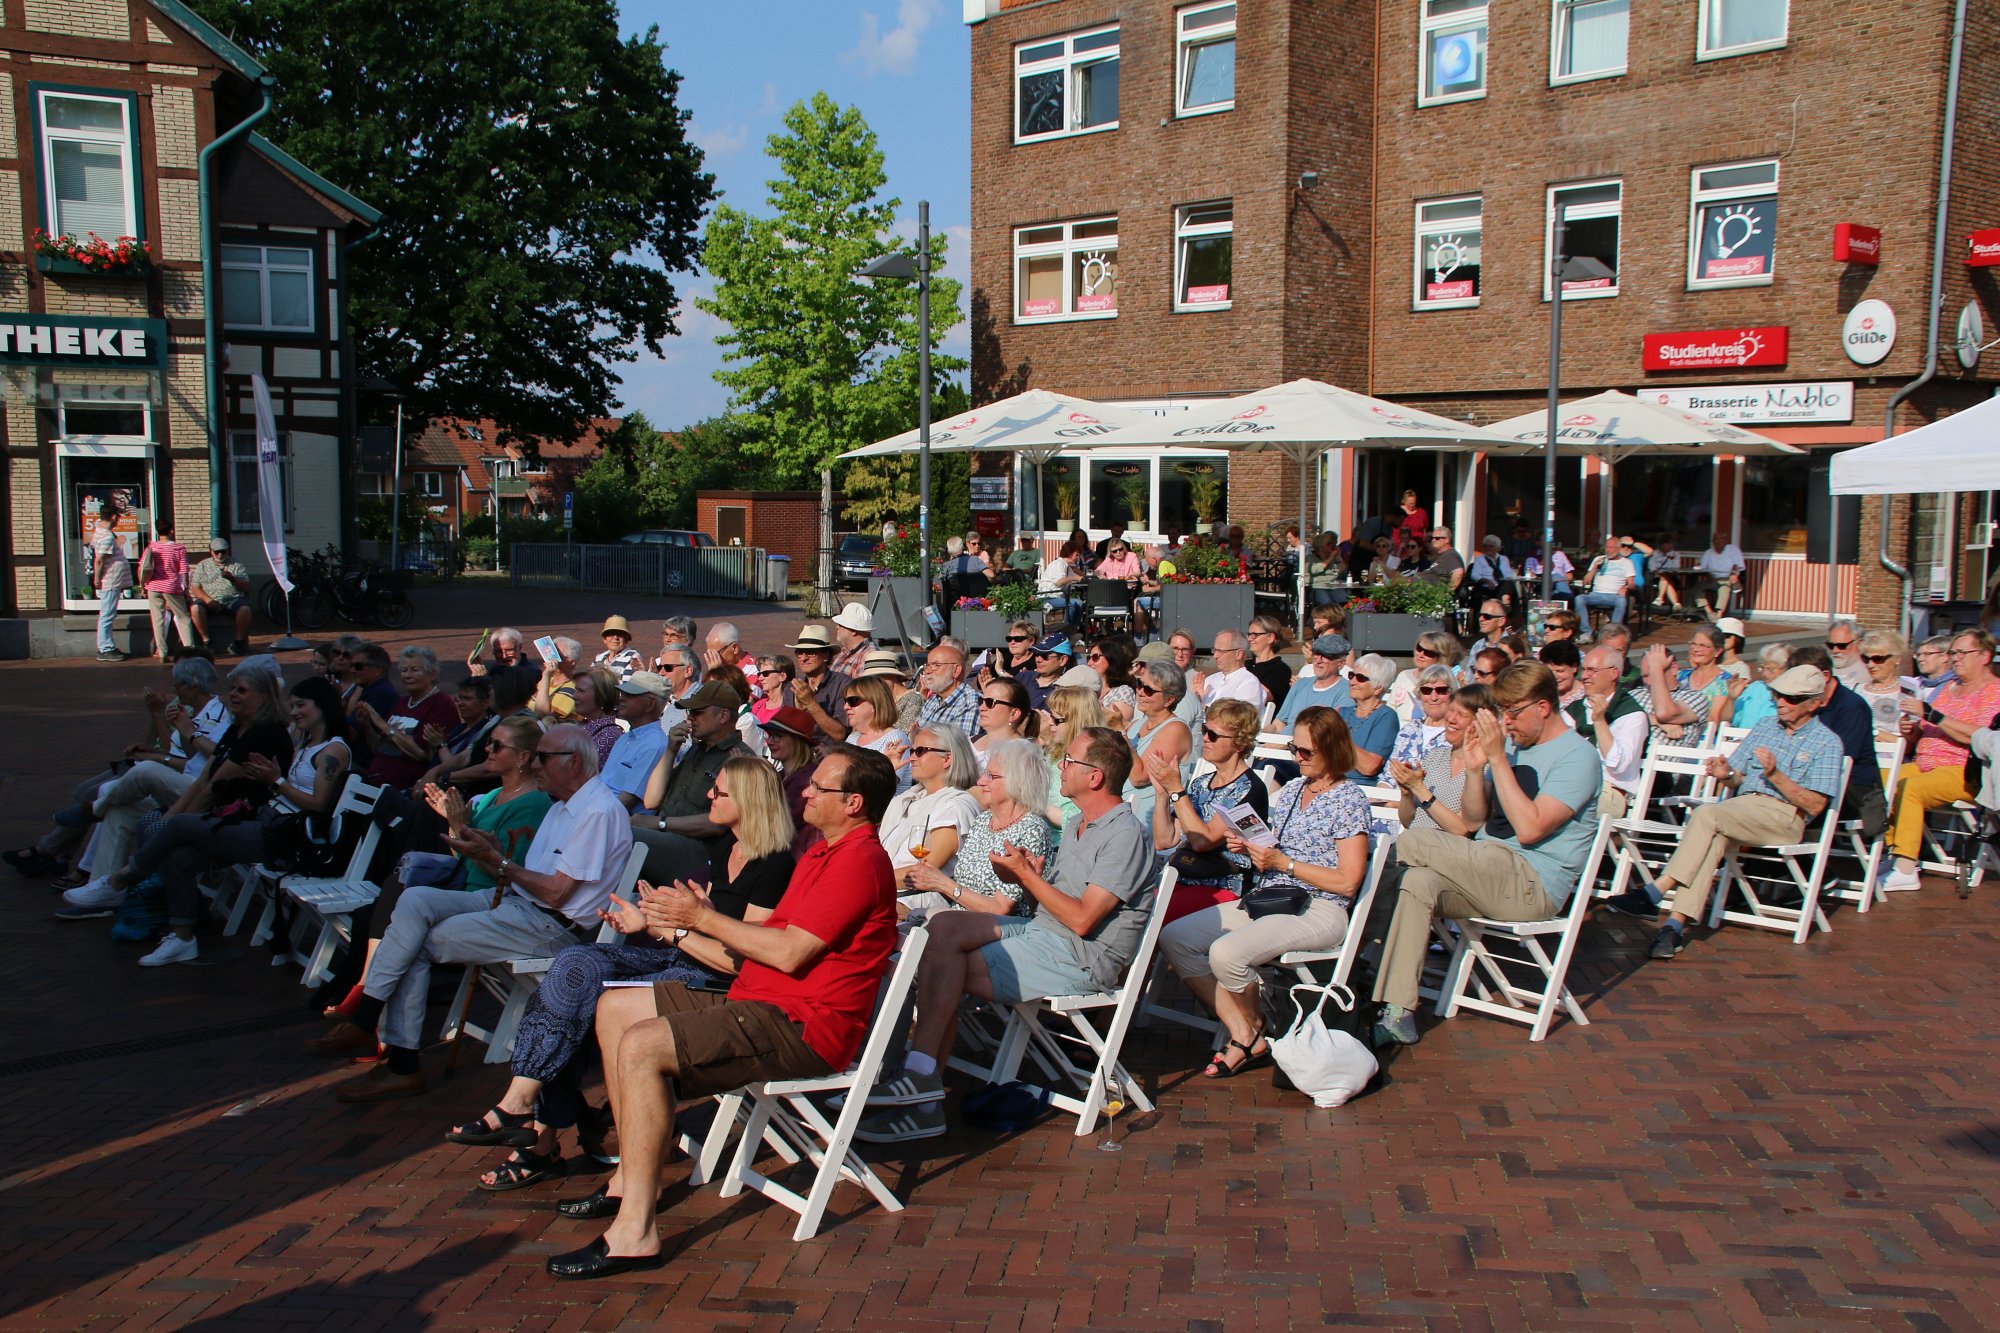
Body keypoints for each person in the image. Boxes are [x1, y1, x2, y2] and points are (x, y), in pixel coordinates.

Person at [548, 747, 897, 1279]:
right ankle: (629, 1181)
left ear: (853, 803)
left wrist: (698, 922)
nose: (803, 791)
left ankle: (635, 1231)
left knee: (642, 1045)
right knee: (615, 1006)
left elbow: (788, 953)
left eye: (818, 788)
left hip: (801, 1026)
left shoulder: (858, 860)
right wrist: (686, 922)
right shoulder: (821, 854)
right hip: (760, 1001)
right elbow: (763, 946)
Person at [449, 755, 794, 1192]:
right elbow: (705, 921)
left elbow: (743, 958)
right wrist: (652, 918)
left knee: (587, 1005)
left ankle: (540, 1140)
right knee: (575, 964)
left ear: (749, 800)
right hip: (684, 959)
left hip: (717, 982)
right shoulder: (726, 848)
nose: (709, 795)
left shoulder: (775, 866)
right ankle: (521, 1101)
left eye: (720, 792)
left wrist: (669, 929)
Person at [859, 727, 1155, 1144]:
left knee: (937, 963)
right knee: (941, 928)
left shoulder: (1123, 834)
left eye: (1069, 761)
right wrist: (1031, 874)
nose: (1059, 767)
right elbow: (1056, 901)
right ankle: (918, 1079)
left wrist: (1024, 879)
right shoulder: (1077, 824)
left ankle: (919, 1089)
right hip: (1043, 933)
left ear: (1094, 777)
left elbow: (1085, 921)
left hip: (1081, 956)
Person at [312, 725, 634, 1102]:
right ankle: (369, 1019)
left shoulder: (597, 811)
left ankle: (398, 1059)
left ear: (574, 762)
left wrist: (498, 862)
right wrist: (496, 852)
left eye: (543, 757)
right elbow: (530, 875)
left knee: (416, 940)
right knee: (414, 900)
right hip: (518, 904)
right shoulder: (563, 804)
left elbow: (558, 892)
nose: (537, 765)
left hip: (549, 924)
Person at [1372, 662, 1603, 1046]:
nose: (1507, 724)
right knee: (1415, 882)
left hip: (1533, 882)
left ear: (1543, 707)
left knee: (1409, 843)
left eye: (1513, 713)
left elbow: (1530, 830)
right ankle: (1397, 1011)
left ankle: (1344, 939)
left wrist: (1497, 759)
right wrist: (1477, 771)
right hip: (1487, 866)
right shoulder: (1511, 746)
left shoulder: (1577, 756)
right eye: (1504, 713)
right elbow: (1474, 821)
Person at [1161, 705, 1370, 1077]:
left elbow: (1348, 881)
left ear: (1333, 750)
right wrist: (1251, 848)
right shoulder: (1292, 790)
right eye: (1295, 749)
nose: (1298, 758)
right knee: (1176, 937)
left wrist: (1282, 864)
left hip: (1320, 907)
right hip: (1270, 897)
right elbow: (1274, 851)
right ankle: (1247, 1031)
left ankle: (1252, 1029)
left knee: (1226, 953)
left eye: (1307, 752)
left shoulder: (1348, 799)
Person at [318, 715, 557, 1016]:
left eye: (497, 745)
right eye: (488, 743)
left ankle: (369, 1006)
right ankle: (367, 1005)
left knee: (398, 917)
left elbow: (505, 875)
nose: (488, 750)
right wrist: (455, 826)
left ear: (523, 756)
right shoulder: (494, 795)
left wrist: (458, 827)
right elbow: (464, 856)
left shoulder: (533, 806)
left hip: (488, 899)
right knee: (374, 911)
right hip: (461, 886)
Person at [1602, 665, 1844, 959]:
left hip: (1784, 815)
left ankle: (1655, 891)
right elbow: (1737, 775)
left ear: (1814, 703)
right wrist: (1724, 772)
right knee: (1712, 835)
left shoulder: (1827, 742)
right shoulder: (1767, 726)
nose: (1781, 701)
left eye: (1791, 698)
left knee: (1707, 816)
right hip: (1740, 809)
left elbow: (1816, 805)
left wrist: (1776, 775)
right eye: (1778, 694)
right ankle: (1672, 930)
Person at [74, 665, 297, 964]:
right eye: (232, 688)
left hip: (263, 827)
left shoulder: (265, 734)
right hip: (228, 820)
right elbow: (207, 775)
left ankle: (118, 882)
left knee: (173, 827)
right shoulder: (239, 727)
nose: (232, 694)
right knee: (177, 856)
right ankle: (183, 938)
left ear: (263, 696)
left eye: (241, 689)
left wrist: (177, 822)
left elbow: (214, 786)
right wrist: (172, 818)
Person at [1881, 628, 2000, 891]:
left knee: (1911, 789)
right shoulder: (1948, 688)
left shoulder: (1993, 691)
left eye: (1962, 652)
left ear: (1984, 655)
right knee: (1882, 781)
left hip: (1965, 770)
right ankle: (1888, 852)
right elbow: (1926, 727)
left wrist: (1933, 716)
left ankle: (1905, 866)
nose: (1955, 658)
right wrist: (1911, 731)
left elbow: (1981, 738)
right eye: (1953, 652)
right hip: (1925, 762)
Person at [903, 739, 1056, 916]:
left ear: (1019, 782)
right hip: (960, 918)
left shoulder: (1031, 829)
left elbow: (1002, 908)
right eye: (984, 773)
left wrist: (942, 883)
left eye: (991, 776)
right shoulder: (983, 820)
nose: (981, 781)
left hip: (1001, 928)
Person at [1149, 697, 1267, 924]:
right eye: (1205, 730)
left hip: (1221, 885)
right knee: (1129, 910)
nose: (1205, 738)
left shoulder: (1250, 789)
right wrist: (1162, 795)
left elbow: (1204, 841)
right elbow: (1164, 840)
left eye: (1213, 735)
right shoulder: (1201, 783)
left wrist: (1176, 789)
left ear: (1240, 743)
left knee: (1152, 917)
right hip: (1184, 877)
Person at [634, 680, 750, 884]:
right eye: (690, 713)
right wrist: (670, 750)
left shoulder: (741, 759)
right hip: (670, 840)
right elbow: (651, 800)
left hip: (700, 851)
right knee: (610, 828)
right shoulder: (696, 750)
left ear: (723, 716)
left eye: (697, 712)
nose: (690, 718)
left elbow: (719, 823)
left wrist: (661, 824)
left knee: (624, 836)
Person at [881, 726, 982, 908]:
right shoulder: (908, 797)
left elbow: (924, 872)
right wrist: (884, 774)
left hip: (914, 901)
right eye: (912, 751)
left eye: (920, 751)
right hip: (884, 889)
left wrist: (866, 880)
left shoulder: (956, 805)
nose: (912, 757)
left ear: (947, 759)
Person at [351, 645, 462, 792]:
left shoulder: (441, 704)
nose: (407, 675)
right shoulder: (401, 703)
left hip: (402, 785)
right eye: (404, 670)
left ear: (432, 674)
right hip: (374, 776)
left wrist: (381, 723)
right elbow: (379, 749)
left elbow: (421, 753)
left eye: (414, 670)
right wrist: (367, 727)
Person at [1388, 683, 1494, 836]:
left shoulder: (1485, 769)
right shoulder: (1434, 756)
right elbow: (1408, 821)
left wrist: (1420, 789)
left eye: (1462, 715)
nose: (1451, 719)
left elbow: (1462, 830)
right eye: (1451, 710)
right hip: (1413, 846)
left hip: (1447, 850)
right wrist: (1407, 793)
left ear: (1480, 723)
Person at [1573, 645, 1650, 820]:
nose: (1584, 676)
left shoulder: (1632, 715)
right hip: (1571, 782)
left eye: (1591, 670)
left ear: (1613, 673)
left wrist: (1599, 721)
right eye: (1583, 670)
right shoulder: (1573, 710)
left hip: (1608, 791)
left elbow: (1618, 764)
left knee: (1561, 808)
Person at [1123, 658, 1194, 829]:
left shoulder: (1175, 729)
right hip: (1122, 810)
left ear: (1169, 699)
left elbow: (1139, 777)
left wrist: (1120, 733)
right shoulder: (1136, 725)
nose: (1140, 692)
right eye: (1139, 684)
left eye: (1148, 690)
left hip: (1146, 818)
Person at [597, 672, 674, 812]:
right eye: (622, 694)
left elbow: (625, 802)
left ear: (650, 704)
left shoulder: (654, 745)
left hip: (618, 822)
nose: (622, 699)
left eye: (630, 695)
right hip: (601, 811)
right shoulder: (625, 738)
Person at [1339, 654, 1401, 783]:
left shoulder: (1386, 717)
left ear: (1378, 688)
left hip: (1359, 788)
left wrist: (1337, 738)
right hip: (1328, 782)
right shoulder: (1343, 712)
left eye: (1360, 678)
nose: (1352, 682)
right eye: (1351, 675)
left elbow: (1369, 767)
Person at [786, 625, 851, 743]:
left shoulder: (842, 684)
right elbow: (785, 730)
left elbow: (840, 734)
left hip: (829, 754)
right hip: (799, 752)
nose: (803, 658)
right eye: (799, 652)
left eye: (810, 653)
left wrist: (811, 704)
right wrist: (799, 712)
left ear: (826, 655)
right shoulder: (792, 686)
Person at [187, 538, 252, 655]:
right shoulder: (203, 565)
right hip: (210, 598)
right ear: (211, 551)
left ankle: (239, 642)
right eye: (217, 552)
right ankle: (206, 641)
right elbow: (195, 588)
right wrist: (208, 600)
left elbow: (245, 587)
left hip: (232, 598)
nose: (220, 554)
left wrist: (233, 579)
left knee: (245, 609)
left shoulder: (236, 564)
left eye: (223, 551)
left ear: (228, 551)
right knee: (195, 609)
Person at [1388, 630, 1467, 722]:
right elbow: (1391, 708)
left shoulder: (1448, 682)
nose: (1421, 655)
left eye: (1428, 652)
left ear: (1440, 657)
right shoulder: (1403, 676)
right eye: (1419, 648)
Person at [1279, 633, 1352, 727]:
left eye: (1325, 656)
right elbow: (1278, 723)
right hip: (1281, 739)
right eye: (1316, 654)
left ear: (1340, 664)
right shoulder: (1300, 684)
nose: (1318, 661)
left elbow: (1332, 733)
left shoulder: (1346, 691)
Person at [1390, 664, 1455, 766]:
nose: (1433, 697)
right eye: (1427, 691)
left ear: (1453, 694)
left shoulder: (1455, 734)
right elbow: (1389, 775)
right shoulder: (1409, 730)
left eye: (1441, 690)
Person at [918, 638, 983, 738]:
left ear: (956, 670)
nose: (928, 671)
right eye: (928, 665)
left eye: (936, 665)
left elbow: (957, 748)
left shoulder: (970, 703)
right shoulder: (933, 700)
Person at [1572, 535, 1633, 638]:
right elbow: (1585, 581)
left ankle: (1614, 633)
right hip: (1596, 594)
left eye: (1610, 547)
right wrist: (1594, 568)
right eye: (1606, 547)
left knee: (1621, 601)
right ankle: (1586, 632)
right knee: (1579, 599)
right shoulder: (1599, 559)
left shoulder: (1627, 563)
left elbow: (1632, 583)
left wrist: (1625, 587)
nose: (1607, 550)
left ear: (1618, 549)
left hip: (1614, 595)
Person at [972, 677, 1039, 769]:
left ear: (1014, 713)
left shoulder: (1023, 754)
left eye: (990, 702)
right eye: (981, 701)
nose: (981, 708)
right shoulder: (970, 741)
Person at [1679, 625, 1738, 727]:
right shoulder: (1681, 676)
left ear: (1717, 651)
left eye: (1703, 645)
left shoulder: (1724, 681)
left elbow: (1714, 718)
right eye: (1693, 644)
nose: (1696, 649)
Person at [1855, 630, 1910, 738]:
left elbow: (1911, 744)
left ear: (1897, 659)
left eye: (1877, 659)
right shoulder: (1858, 691)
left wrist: (1876, 733)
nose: (1870, 665)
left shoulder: (1907, 691)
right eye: (1866, 659)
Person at [570, 666, 624, 768]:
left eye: (581, 691)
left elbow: (581, 773)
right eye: (576, 690)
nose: (574, 696)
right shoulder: (582, 726)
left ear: (601, 696)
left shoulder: (609, 736)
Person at [1203, 630, 1269, 712]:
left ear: (1238, 654)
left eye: (1221, 651)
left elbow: (1238, 719)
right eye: (1215, 650)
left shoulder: (1249, 683)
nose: (1215, 656)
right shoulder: (1210, 680)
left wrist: (1202, 707)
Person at [1731, 643, 1791, 732]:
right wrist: (1731, 699)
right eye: (1763, 668)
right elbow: (1728, 719)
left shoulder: (1791, 693)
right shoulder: (1755, 688)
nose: (1765, 674)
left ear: (1785, 668)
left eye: (1771, 669)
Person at [1088, 637, 1139, 729]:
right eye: (1089, 658)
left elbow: (1116, 726)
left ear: (1111, 658)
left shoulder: (1124, 691)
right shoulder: (1088, 689)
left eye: (1095, 657)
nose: (1089, 663)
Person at [532, 636, 585, 721]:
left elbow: (544, 716)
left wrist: (546, 676)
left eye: (556, 655)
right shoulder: (547, 681)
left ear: (571, 663)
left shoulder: (573, 689)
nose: (550, 659)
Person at [1244, 617, 1295, 706]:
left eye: (1255, 635)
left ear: (1270, 638)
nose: (1249, 639)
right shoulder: (1246, 664)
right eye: (1249, 634)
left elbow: (1266, 697)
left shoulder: (1279, 669)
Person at [1038, 539, 1087, 627]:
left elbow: (1081, 578)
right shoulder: (1058, 564)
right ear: (1070, 554)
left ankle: (1074, 629)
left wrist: (1080, 573)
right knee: (1075, 603)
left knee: (1080, 603)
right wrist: (1075, 577)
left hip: (1055, 597)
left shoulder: (1066, 566)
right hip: (1047, 597)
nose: (1077, 557)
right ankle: (1067, 630)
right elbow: (1059, 582)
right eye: (1076, 555)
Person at [1696, 531, 1746, 616]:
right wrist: (1708, 575)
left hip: (1728, 579)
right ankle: (1709, 612)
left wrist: (1733, 573)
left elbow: (1738, 564)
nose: (1719, 541)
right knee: (1695, 587)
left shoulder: (1733, 549)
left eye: (1721, 539)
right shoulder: (1708, 553)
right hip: (1713, 580)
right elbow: (1702, 567)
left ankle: (1719, 614)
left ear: (1726, 540)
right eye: (1716, 539)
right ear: (1713, 541)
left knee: (1725, 588)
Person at [830, 604, 875, 681]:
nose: (837, 627)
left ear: (853, 630)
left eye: (840, 625)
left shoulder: (869, 656)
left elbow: (862, 691)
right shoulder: (847, 650)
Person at [1540, 639, 1585, 712]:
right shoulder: (1543, 695)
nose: (1554, 677)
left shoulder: (1588, 695)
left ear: (1574, 667)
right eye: (1550, 671)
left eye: (1560, 671)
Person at [1825, 620, 1870, 691]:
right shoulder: (1821, 668)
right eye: (1831, 645)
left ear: (1859, 644)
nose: (1835, 651)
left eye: (1842, 646)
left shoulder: (1870, 673)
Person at [749, 655, 795, 724]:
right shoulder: (758, 706)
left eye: (765, 673)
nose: (760, 678)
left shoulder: (793, 705)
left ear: (782, 676)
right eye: (759, 674)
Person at [1423, 527, 1466, 593]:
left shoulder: (1451, 555)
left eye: (1437, 538)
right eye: (1432, 538)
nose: (1433, 540)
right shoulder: (1442, 556)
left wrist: (1446, 594)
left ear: (1446, 540)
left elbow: (1458, 572)